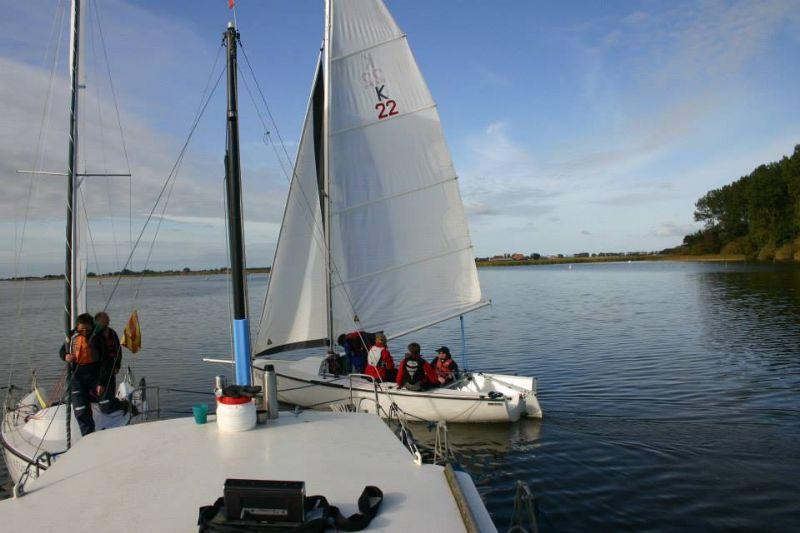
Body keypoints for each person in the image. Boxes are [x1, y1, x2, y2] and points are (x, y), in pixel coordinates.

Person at [59, 313, 109, 435]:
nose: (85, 331)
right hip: (77, 376)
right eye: (82, 329)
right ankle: (88, 435)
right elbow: (62, 351)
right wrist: (66, 356)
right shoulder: (71, 336)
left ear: (92, 326)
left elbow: (105, 361)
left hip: (94, 375)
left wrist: (101, 383)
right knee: (81, 410)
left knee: (105, 402)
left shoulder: (98, 338)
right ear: (77, 327)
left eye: (88, 329)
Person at [94, 311, 127, 414]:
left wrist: (117, 365)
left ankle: (111, 403)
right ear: (100, 321)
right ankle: (98, 402)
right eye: (106, 319)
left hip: (111, 365)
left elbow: (118, 349)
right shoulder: (94, 334)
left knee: (110, 387)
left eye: (108, 319)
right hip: (97, 367)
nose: (109, 321)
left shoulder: (112, 333)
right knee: (98, 387)